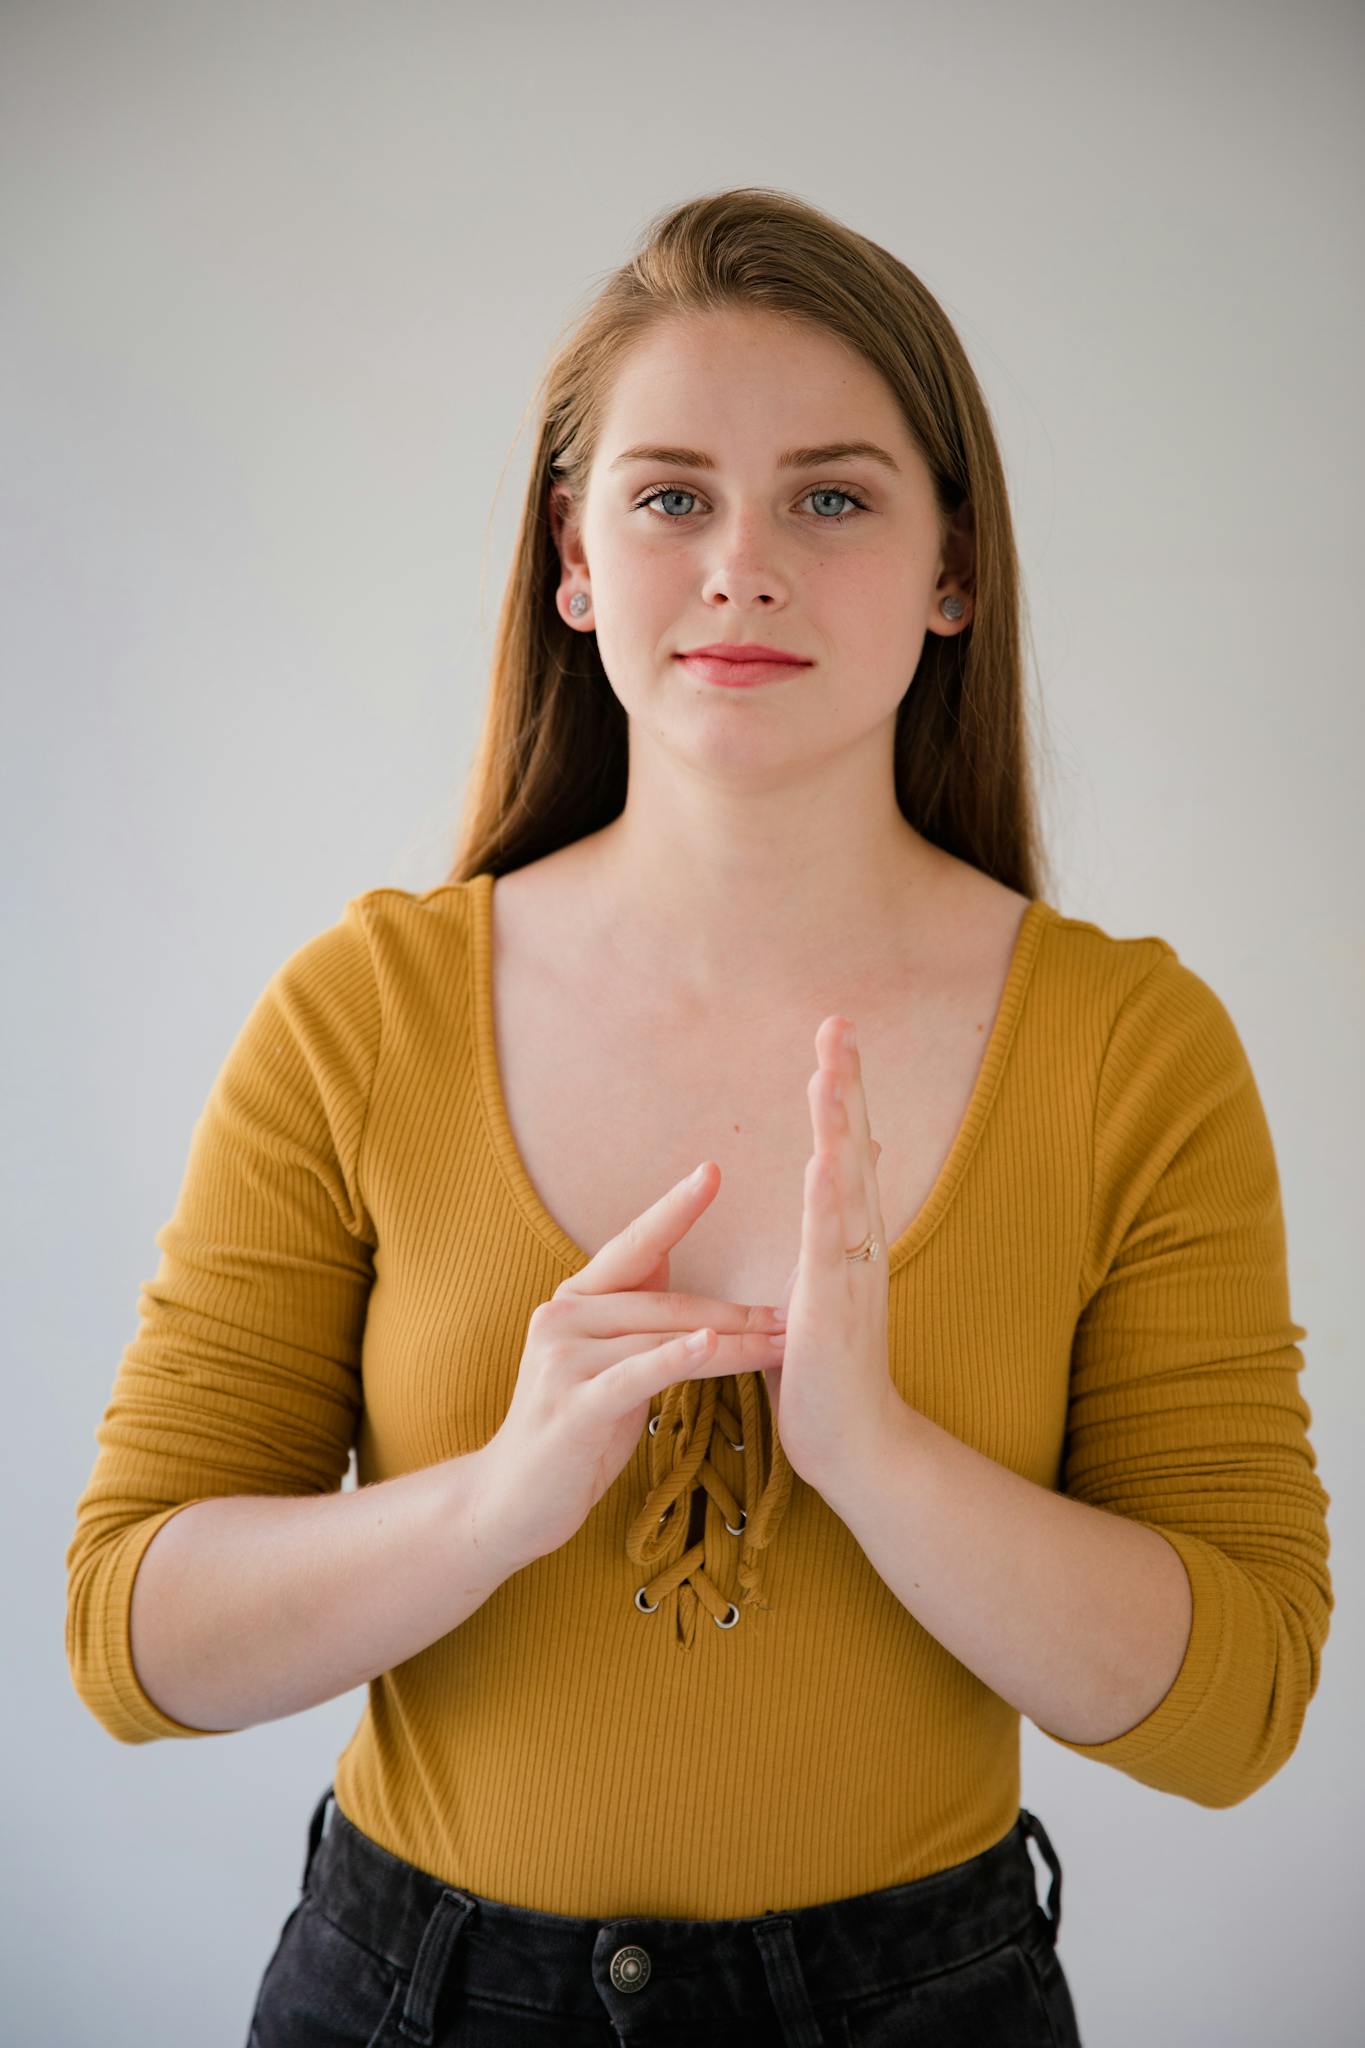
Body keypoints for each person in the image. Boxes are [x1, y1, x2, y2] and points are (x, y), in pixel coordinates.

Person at [66, 185, 1332, 2047]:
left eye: (831, 497)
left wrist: (879, 1458)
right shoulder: (365, 1012)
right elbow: (126, 1637)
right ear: (572, 560)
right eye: (670, 497)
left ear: (951, 571)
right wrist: (492, 1504)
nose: (742, 564)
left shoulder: (1132, 1048)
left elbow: (1239, 1712)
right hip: (403, 1994)